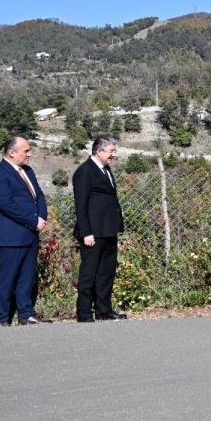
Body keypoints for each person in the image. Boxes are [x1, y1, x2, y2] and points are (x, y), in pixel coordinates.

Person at [0, 135, 49, 326]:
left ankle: (25, 313)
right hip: (11, 236)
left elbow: (38, 195)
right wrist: (32, 220)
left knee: (26, 276)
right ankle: (2, 318)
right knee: (7, 278)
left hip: (30, 234)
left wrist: (42, 217)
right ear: (12, 153)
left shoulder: (27, 171)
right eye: (26, 151)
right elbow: (7, 205)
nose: (29, 154)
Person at [73, 135, 127, 322]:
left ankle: (104, 309)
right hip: (93, 232)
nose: (114, 154)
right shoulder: (85, 171)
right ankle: (84, 312)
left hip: (108, 229)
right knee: (89, 272)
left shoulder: (105, 170)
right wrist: (86, 231)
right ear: (99, 151)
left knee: (106, 272)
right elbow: (81, 205)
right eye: (111, 151)